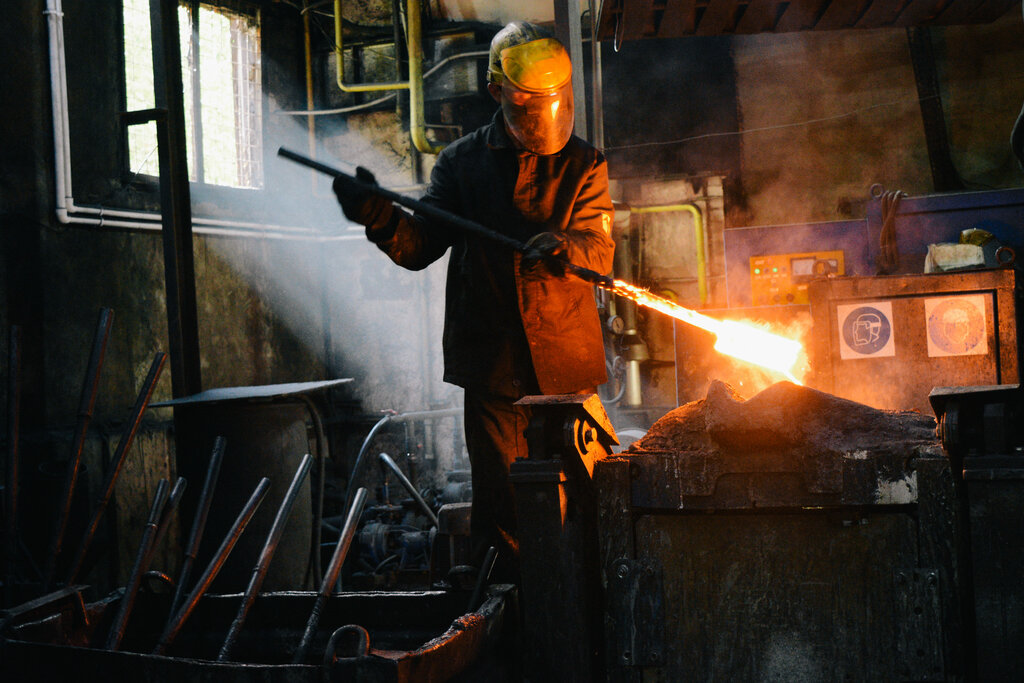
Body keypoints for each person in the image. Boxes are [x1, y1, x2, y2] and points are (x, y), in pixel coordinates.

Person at [333, 21, 615, 582]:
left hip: (566, 367)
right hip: (494, 369)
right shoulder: (461, 163)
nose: (541, 116)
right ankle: (514, 612)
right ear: (498, 92)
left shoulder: (584, 164)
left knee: (590, 493)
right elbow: (419, 246)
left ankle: (591, 604)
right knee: (506, 508)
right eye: (528, 102)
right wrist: (377, 215)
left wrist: (564, 246)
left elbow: (599, 251)